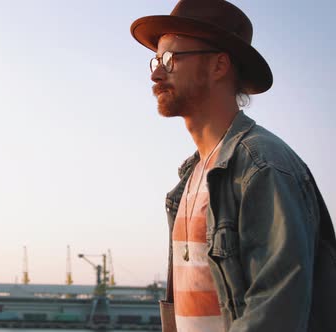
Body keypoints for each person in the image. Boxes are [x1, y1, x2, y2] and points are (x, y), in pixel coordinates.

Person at [129, 0, 336, 331]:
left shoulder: (262, 167)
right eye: (155, 60)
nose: (155, 72)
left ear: (218, 66)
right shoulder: (189, 180)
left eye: (170, 59)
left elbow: (277, 314)